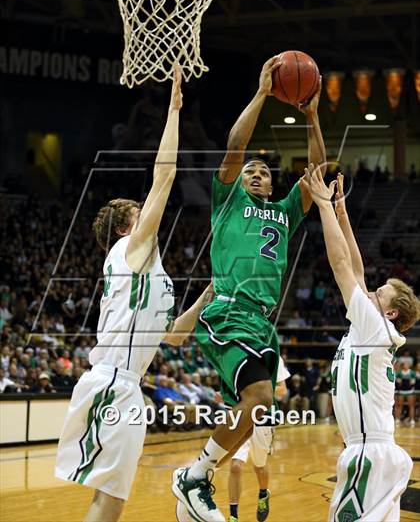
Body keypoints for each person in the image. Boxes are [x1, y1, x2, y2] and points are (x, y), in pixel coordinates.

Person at [173, 56, 326, 522]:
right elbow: (235, 146)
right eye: (250, 171)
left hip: (262, 322)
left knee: (255, 409)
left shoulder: (283, 211)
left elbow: (317, 175)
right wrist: (262, 93)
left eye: (263, 171)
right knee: (258, 399)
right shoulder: (228, 200)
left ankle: (195, 483)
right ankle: (195, 474)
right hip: (229, 310)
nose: (256, 173)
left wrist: (314, 116)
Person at [55, 68, 212, 522]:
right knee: (111, 498)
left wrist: (204, 298)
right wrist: (175, 110)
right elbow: (164, 177)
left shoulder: (150, 272)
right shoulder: (130, 248)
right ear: (126, 226)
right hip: (112, 380)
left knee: (112, 496)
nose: (149, 216)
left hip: (124, 385)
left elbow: (175, 339)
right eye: (139, 213)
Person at [301, 166, 419, 521]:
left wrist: (322, 205)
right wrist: (342, 213)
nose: (370, 291)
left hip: (370, 453)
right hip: (370, 451)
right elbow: (356, 268)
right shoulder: (371, 328)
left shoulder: (374, 327)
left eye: (379, 293)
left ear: (392, 312)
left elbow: (342, 267)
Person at [227, 357, 290, 522]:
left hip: (264, 417)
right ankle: (233, 515)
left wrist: (258, 390)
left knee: (259, 465)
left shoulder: (273, 357)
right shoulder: (235, 355)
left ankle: (263, 493)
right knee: (235, 466)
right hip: (240, 416)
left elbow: (282, 390)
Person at [394, 361, 416, 428]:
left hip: (410, 392)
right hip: (401, 392)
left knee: (411, 406)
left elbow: (412, 383)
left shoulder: (412, 373)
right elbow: (398, 383)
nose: (406, 366)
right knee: (399, 406)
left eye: (407, 364)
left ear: (409, 366)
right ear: (403, 366)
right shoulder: (399, 373)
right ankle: (397, 419)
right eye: (404, 365)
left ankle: (412, 420)